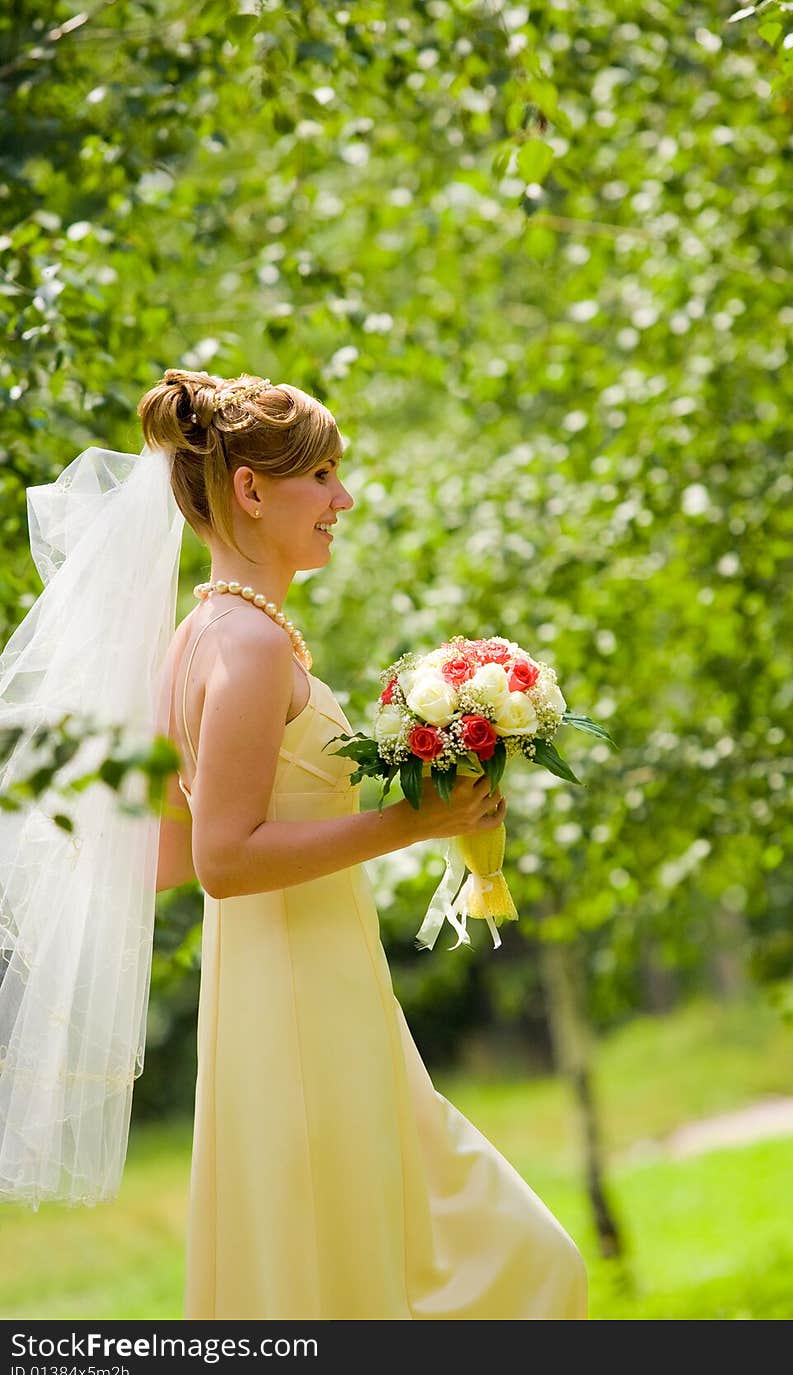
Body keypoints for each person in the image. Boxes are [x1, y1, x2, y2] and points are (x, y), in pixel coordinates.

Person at [136, 369, 592, 1318]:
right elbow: (221, 863)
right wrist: (413, 823)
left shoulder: (198, 637)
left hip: (296, 992)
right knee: (522, 1269)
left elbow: (169, 855)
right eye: (324, 476)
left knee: (358, 1272)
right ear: (253, 490)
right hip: (304, 1003)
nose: (342, 500)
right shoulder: (250, 648)